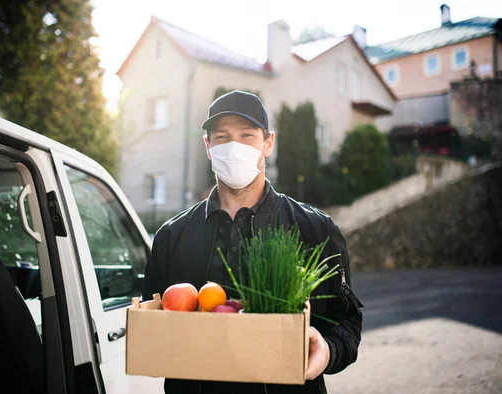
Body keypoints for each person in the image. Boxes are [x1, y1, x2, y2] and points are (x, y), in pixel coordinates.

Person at [143, 90, 363, 394]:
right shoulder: (171, 236)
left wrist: (328, 350)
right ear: (208, 146)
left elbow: (347, 320)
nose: (234, 147)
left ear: (268, 143)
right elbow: (154, 322)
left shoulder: (316, 229)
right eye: (222, 137)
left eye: (247, 135)